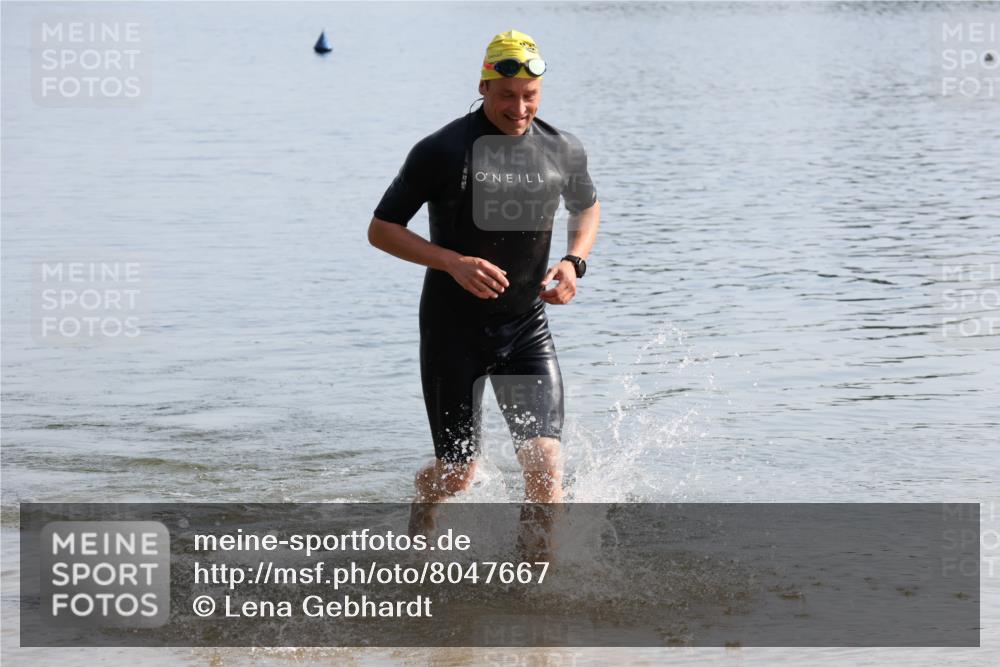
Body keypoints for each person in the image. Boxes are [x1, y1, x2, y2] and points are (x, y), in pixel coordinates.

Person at [368, 30, 601, 523]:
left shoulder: (561, 148)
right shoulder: (442, 150)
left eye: (530, 96)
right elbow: (382, 229)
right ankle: (424, 504)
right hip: (453, 331)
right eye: (507, 96)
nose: (519, 108)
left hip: (524, 328)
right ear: (483, 87)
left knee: (545, 465)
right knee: (458, 475)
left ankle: (535, 566)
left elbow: (587, 206)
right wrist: (452, 261)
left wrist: (573, 261)